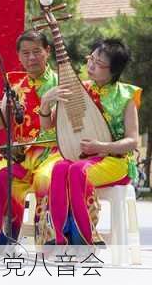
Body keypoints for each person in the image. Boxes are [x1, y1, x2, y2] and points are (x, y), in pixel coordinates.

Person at [42, 39, 141, 245]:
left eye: (99, 63)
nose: (91, 65)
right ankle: (59, 238)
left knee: (78, 171)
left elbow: (132, 141)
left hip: (116, 161)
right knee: (60, 168)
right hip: (85, 157)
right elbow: (48, 125)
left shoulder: (126, 95)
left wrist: (102, 147)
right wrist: (46, 102)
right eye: (91, 59)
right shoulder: (80, 89)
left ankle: (83, 238)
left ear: (113, 70)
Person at [0, 30, 61, 245]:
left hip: (53, 153)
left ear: (47, 52)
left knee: (45, 178)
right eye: (26, 53)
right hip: (22, 156)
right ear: (19, 56)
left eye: (37, 52)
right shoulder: (16, 87)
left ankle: (49, 239)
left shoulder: (60, 84)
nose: (31, 58)